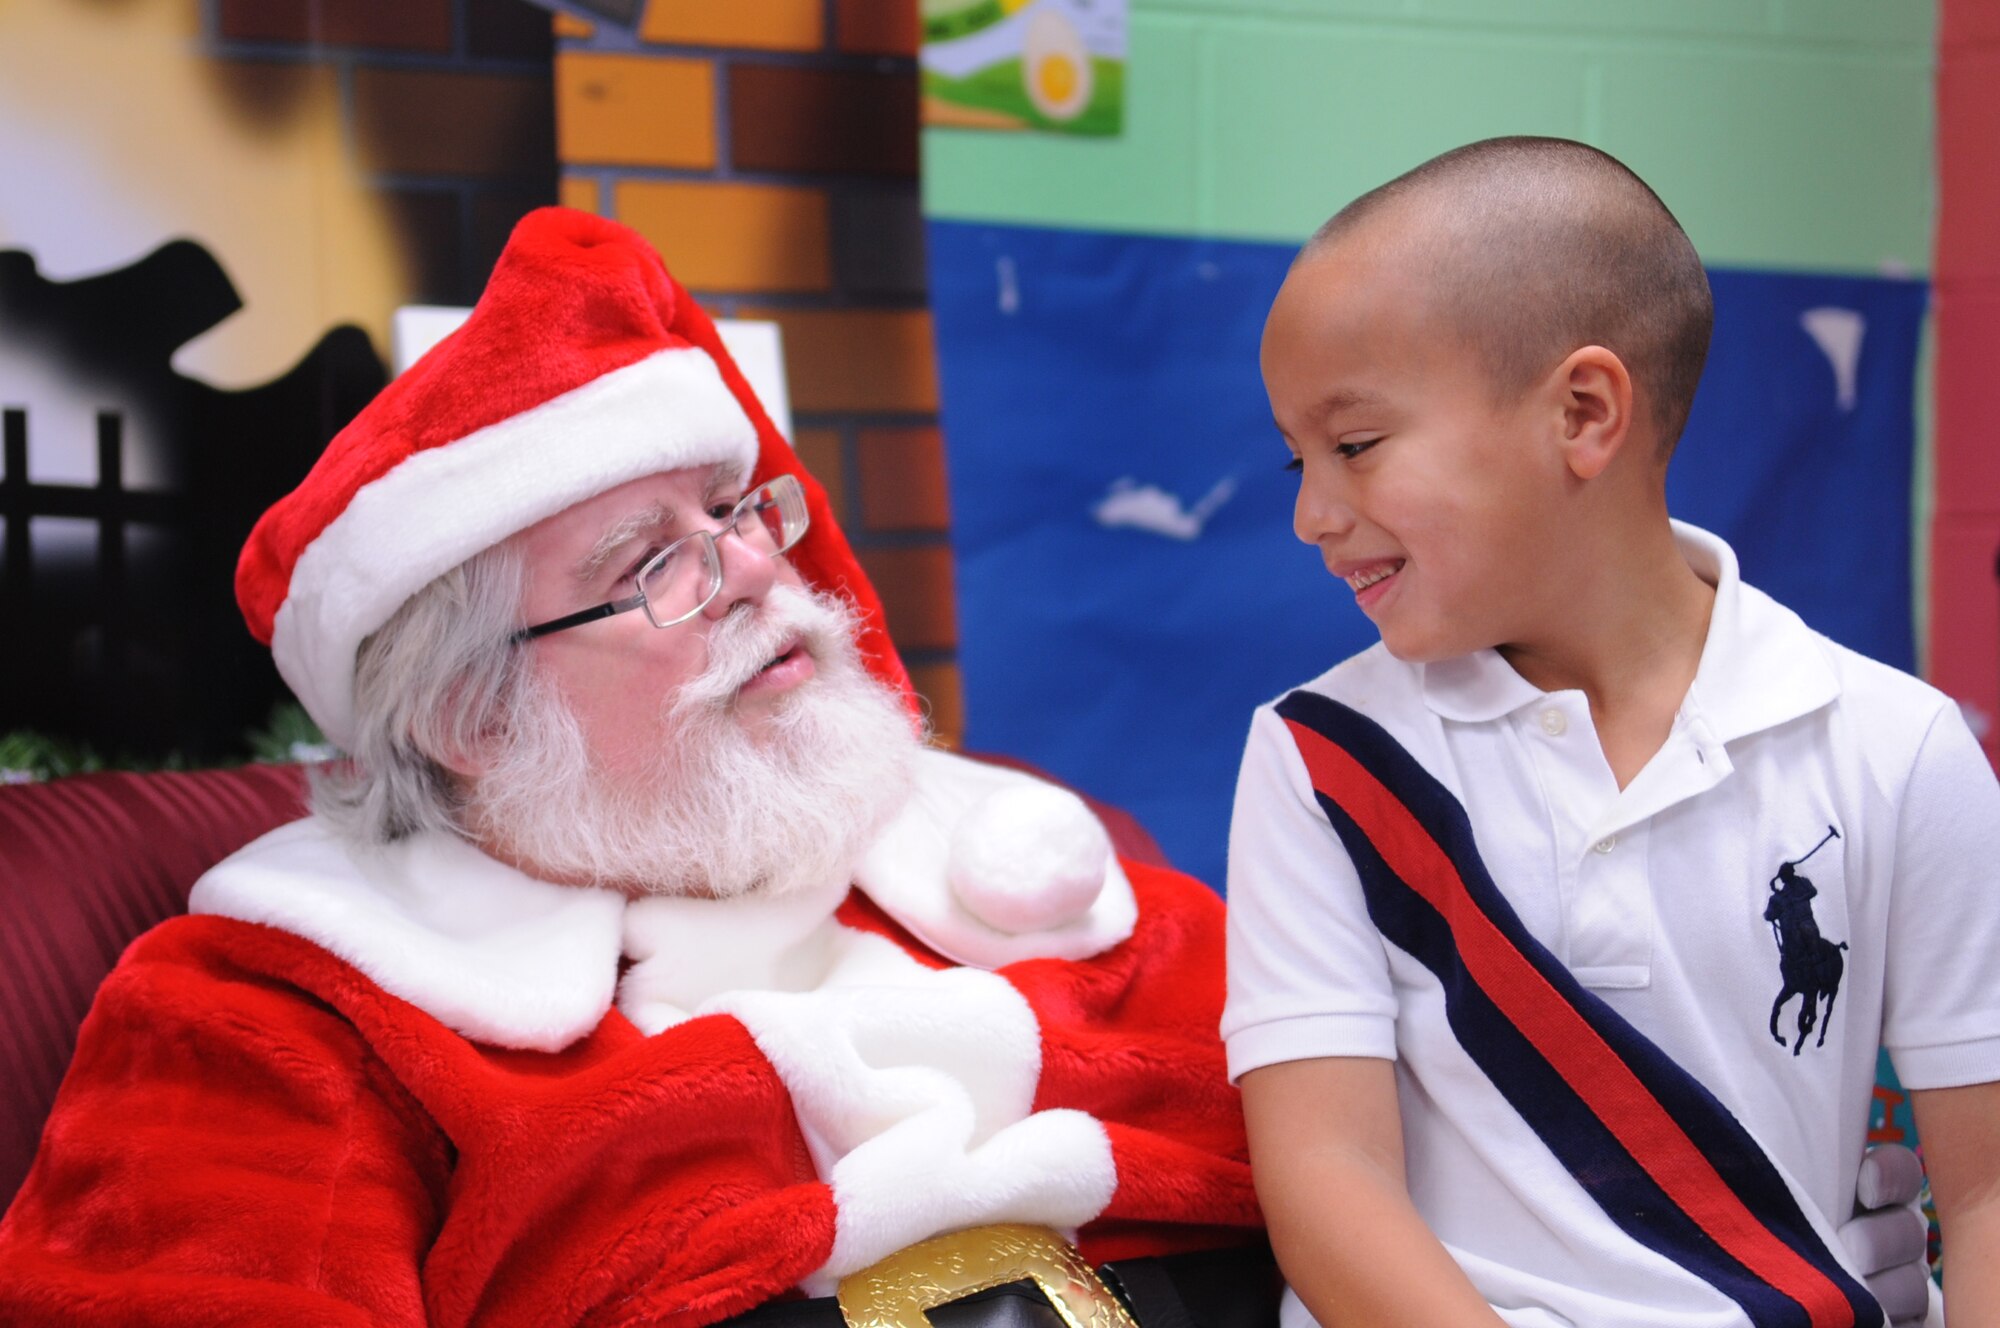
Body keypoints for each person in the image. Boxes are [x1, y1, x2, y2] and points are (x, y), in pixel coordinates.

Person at [0, 207, 1265, 1326]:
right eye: (650, 566)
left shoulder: (1024, 868)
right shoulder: (284, 1014)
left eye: (736, 512)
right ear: (470, 717)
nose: (766, 569)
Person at [1222, 137, 1999, 1327]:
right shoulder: (1314, 754)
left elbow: (1986, 1185)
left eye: (1355, 445)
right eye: (1297, 457)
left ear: (1582, 413)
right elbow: (1328, 1177)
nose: (1310, 514)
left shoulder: (1896, 747)